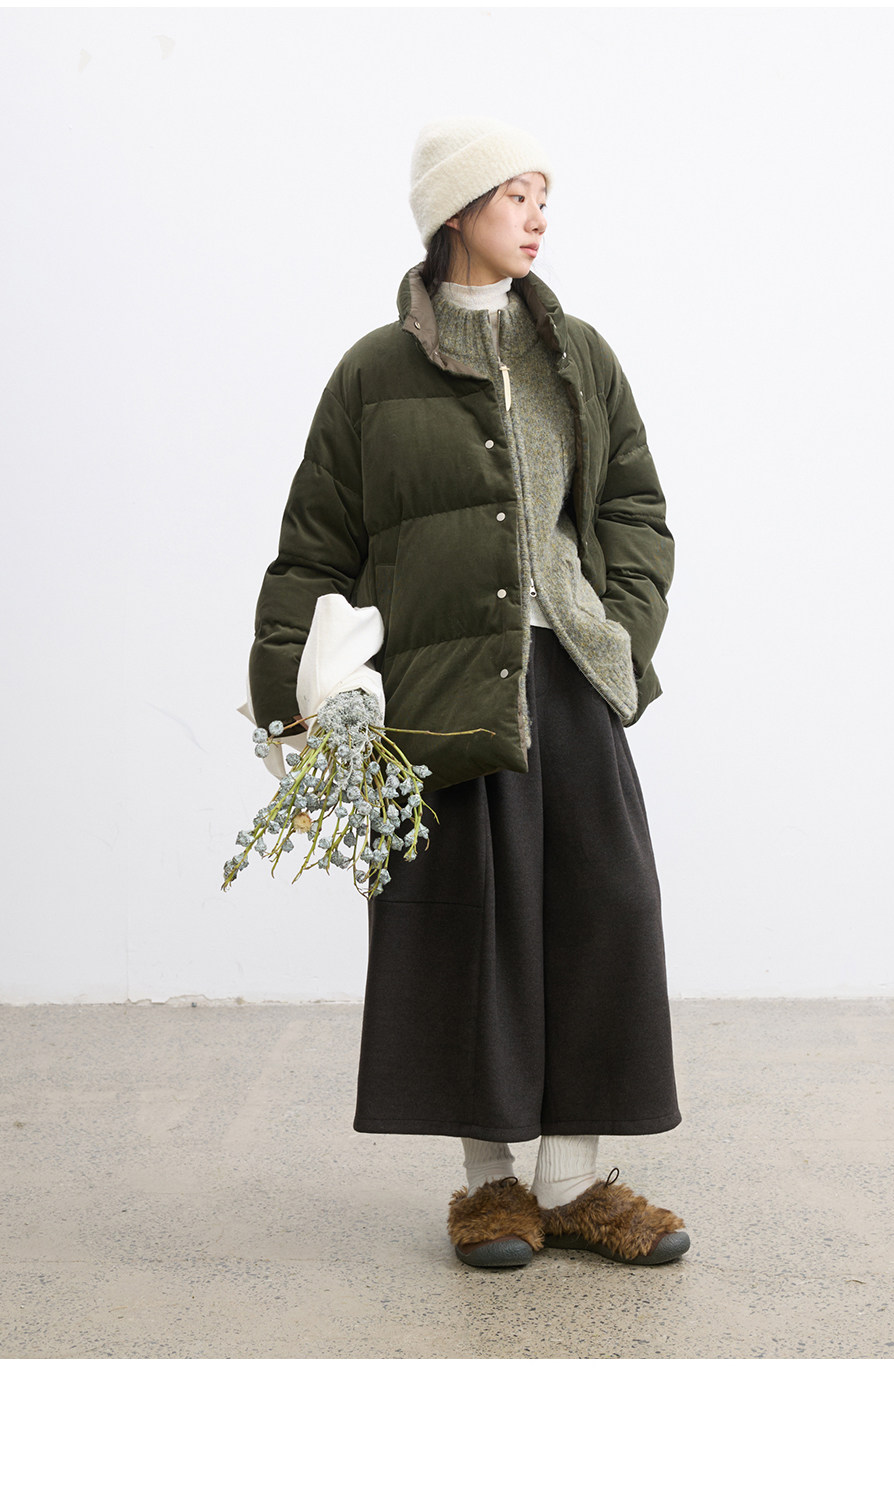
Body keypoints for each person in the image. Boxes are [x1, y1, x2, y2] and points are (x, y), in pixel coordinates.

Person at [247, 116, 690, 1270]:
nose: (538, 218)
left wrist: (621, 634)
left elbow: (634, 508)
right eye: (515, 196)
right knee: (467, 926)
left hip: (569, 678)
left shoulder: (577, 353)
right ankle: (490, 1184)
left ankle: (575, 1182)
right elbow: (315, 546)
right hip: (438, 694)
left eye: (544, 197)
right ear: (456, 212)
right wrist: (288, 700)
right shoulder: (372, 373)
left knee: (604, 911)